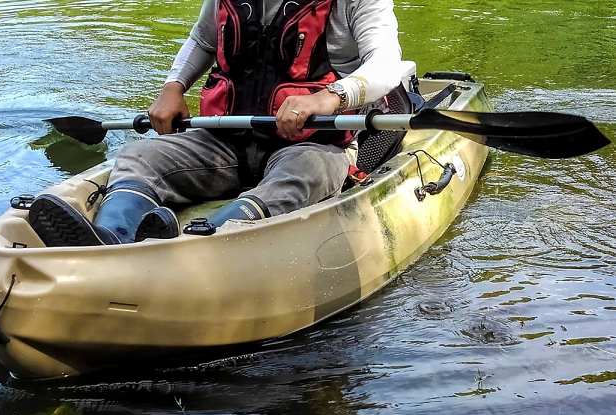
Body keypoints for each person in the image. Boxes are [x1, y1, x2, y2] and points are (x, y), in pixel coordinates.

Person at [29, 0, 404, 247]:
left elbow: (387, 65)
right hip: (227, 138)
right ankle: (111, 237)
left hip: (312, 144)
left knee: (305, 173)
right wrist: (173, 87)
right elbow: (202, 41)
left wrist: (328, 97)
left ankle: (197, 243)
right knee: (139, 155)